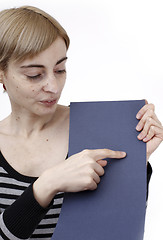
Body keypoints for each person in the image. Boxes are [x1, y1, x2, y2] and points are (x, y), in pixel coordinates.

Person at [0, 5, 162, 240]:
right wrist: (46, 185)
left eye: (60, 69)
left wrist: (134, 165)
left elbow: (119, 231)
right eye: (35, 75)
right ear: (2, 73)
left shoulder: (100, 127)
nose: (53, 87)